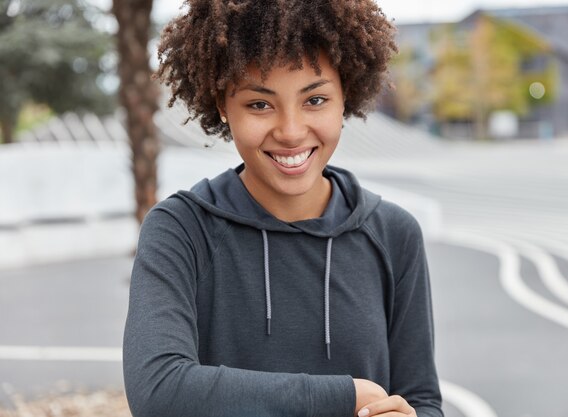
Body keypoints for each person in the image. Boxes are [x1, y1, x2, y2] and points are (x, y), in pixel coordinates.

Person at [122, 1, 443, 416]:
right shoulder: (180, 230)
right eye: (260, 104)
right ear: (223, 105)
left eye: (315, 100)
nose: (291, 132)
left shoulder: (393, 234)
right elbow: (159, 391)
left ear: (345, 94)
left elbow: (422, 401)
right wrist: (345, 396)